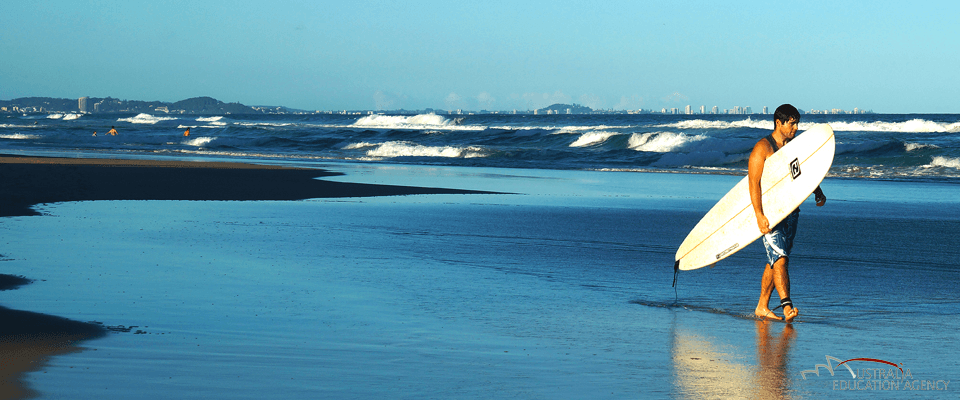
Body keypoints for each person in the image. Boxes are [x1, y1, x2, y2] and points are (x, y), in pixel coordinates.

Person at [749, 104, 826, 322]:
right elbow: (753, 184)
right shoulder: (762, 149)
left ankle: (762, 306)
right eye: (792, 123)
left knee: (775, 259)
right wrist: (758, 214)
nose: (795, 127)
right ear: (778, 123)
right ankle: (787, 306)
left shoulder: (792, 147)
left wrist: (817, 191)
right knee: (780, 259)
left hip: (791, 211)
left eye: (797, 123)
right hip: (770, 213)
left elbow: (800, 174)